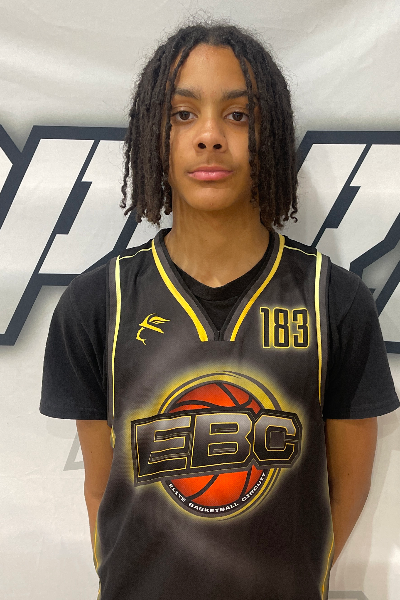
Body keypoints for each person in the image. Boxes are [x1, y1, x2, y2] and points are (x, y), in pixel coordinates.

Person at [40, 21, 399, 600]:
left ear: (271, 136)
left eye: (238, 115)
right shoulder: (95, 304)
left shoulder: (335, 301)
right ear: (154, 137)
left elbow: (347, 486)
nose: (209, 136)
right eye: (183, 114)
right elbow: (102, 491)